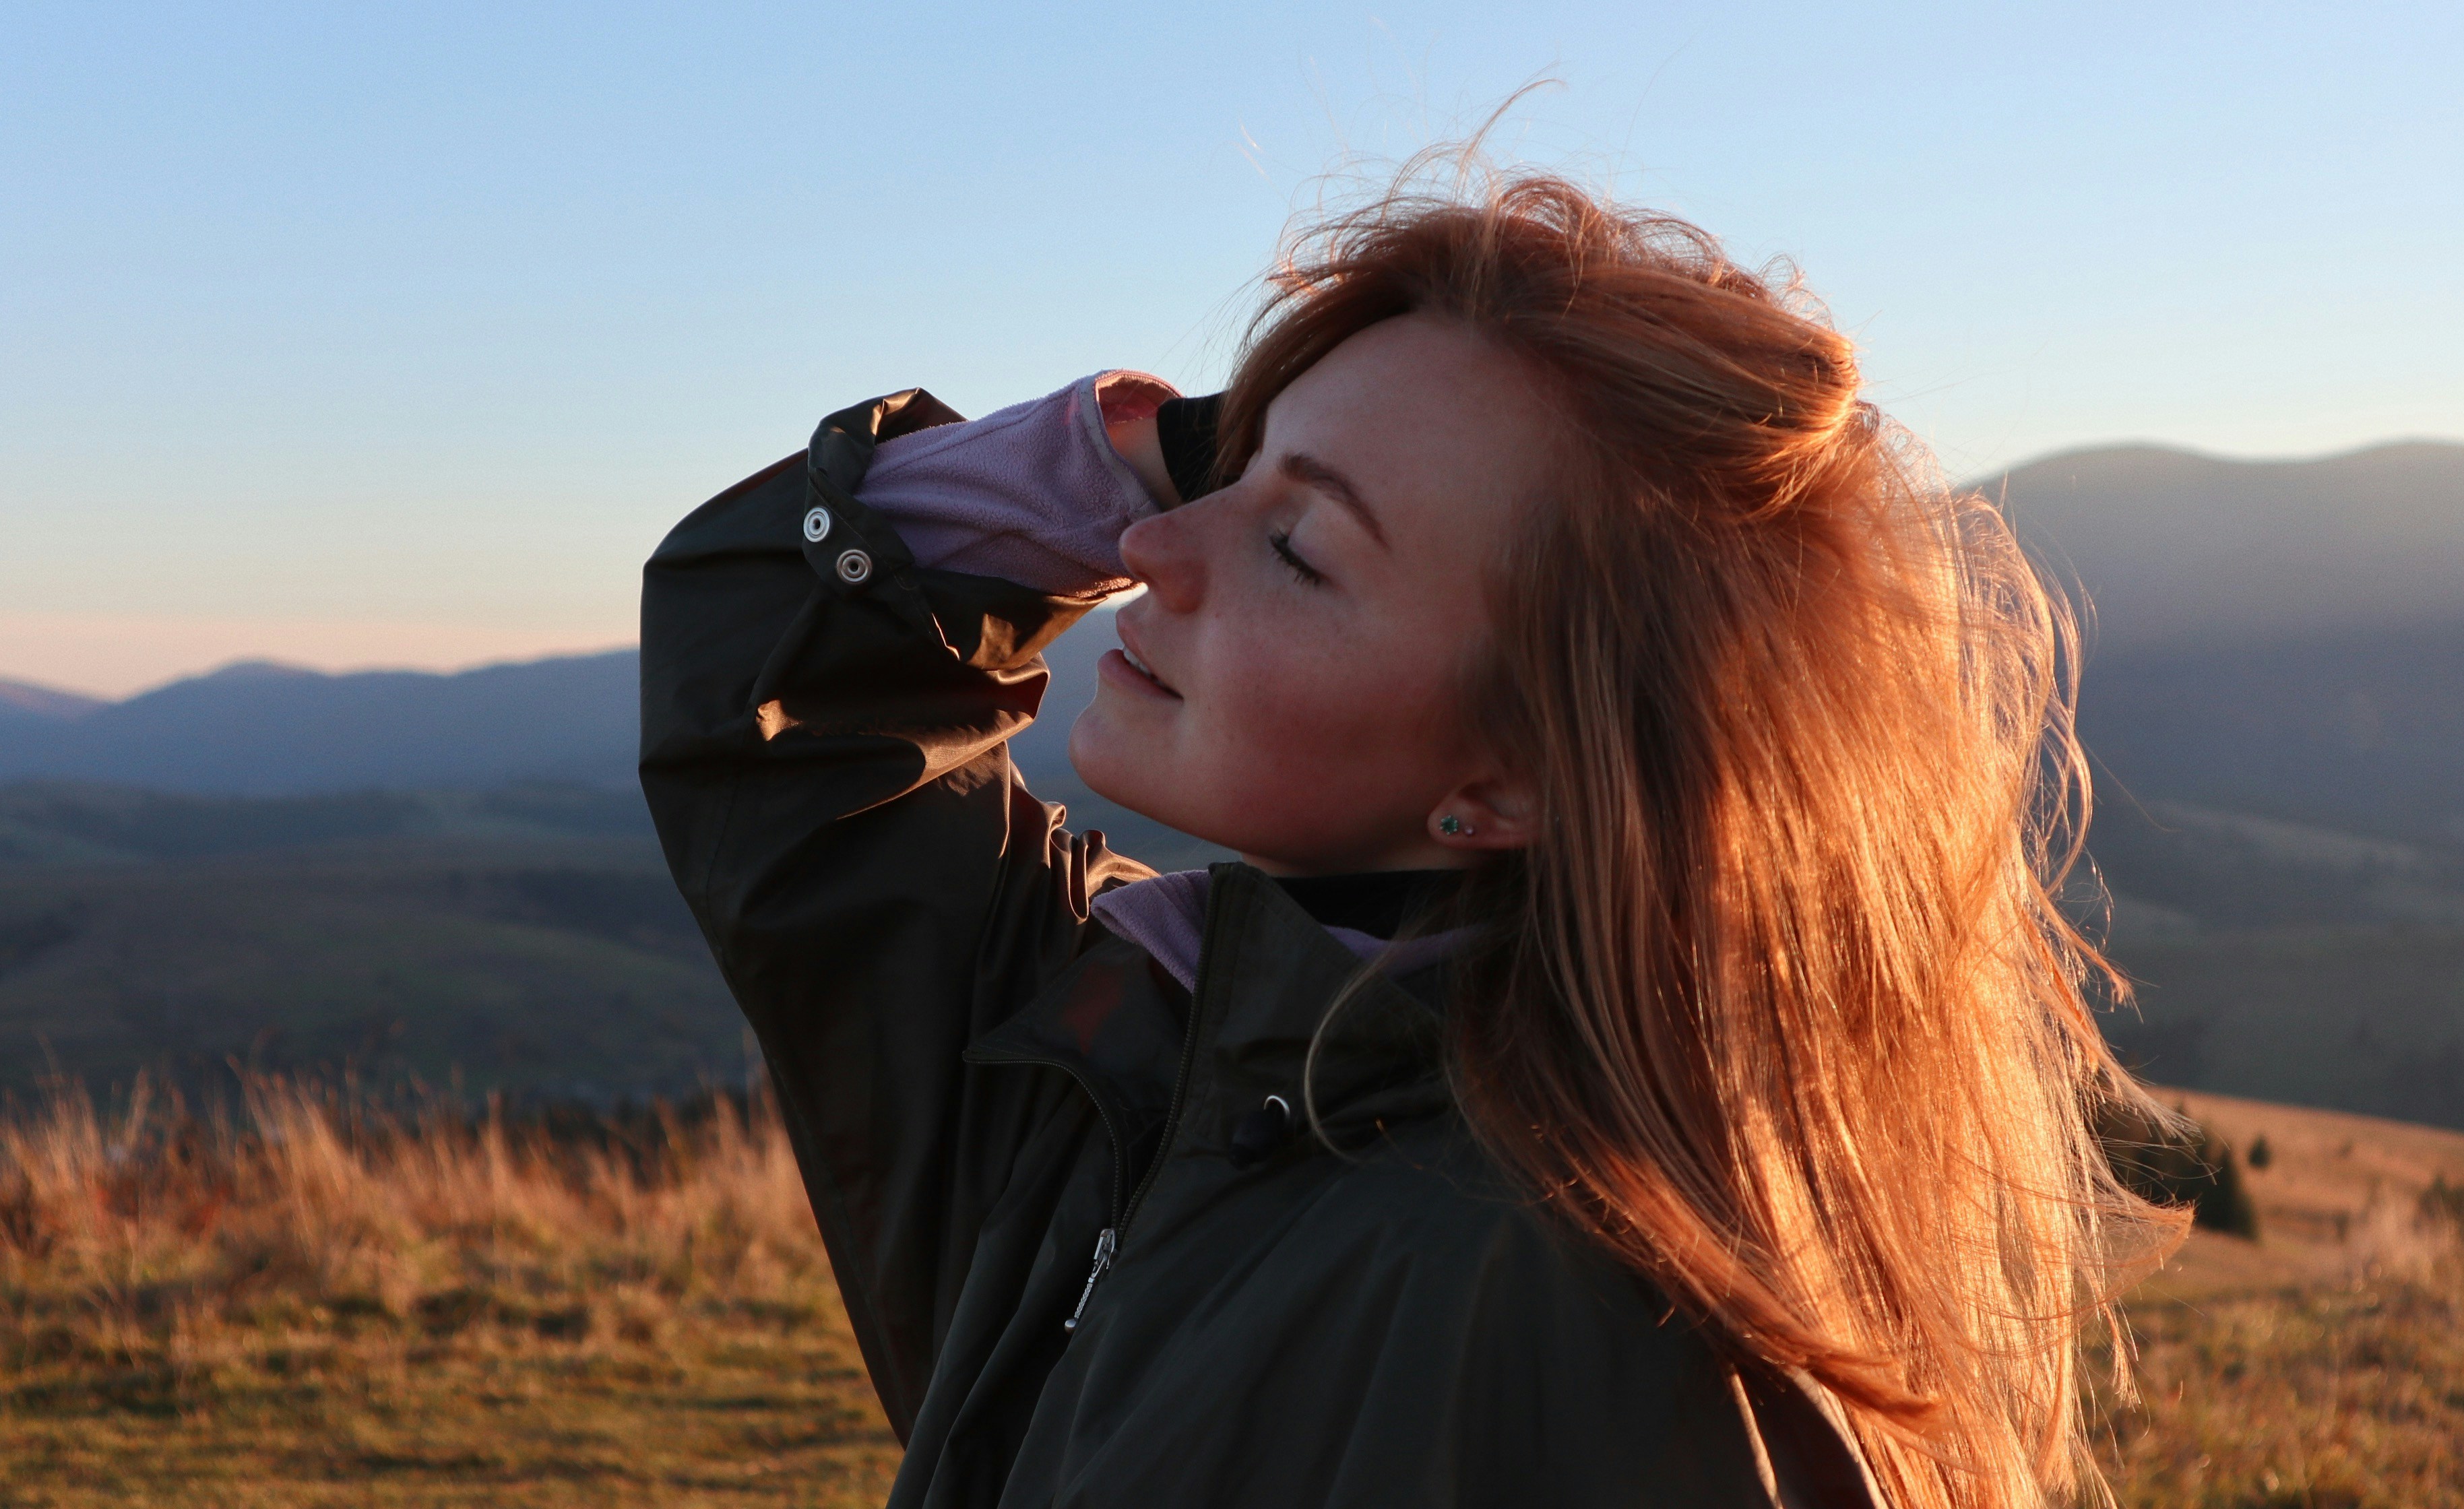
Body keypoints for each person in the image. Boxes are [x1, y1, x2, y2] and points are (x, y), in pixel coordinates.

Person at [639, 158, 2180, 1508]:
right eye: (1215, 476)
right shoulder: (1131, 1076)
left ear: (1508, 785)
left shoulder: (1594, 1335)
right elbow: (771, 689)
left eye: (1298, 548)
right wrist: (1157, 447)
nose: (1147, 548)